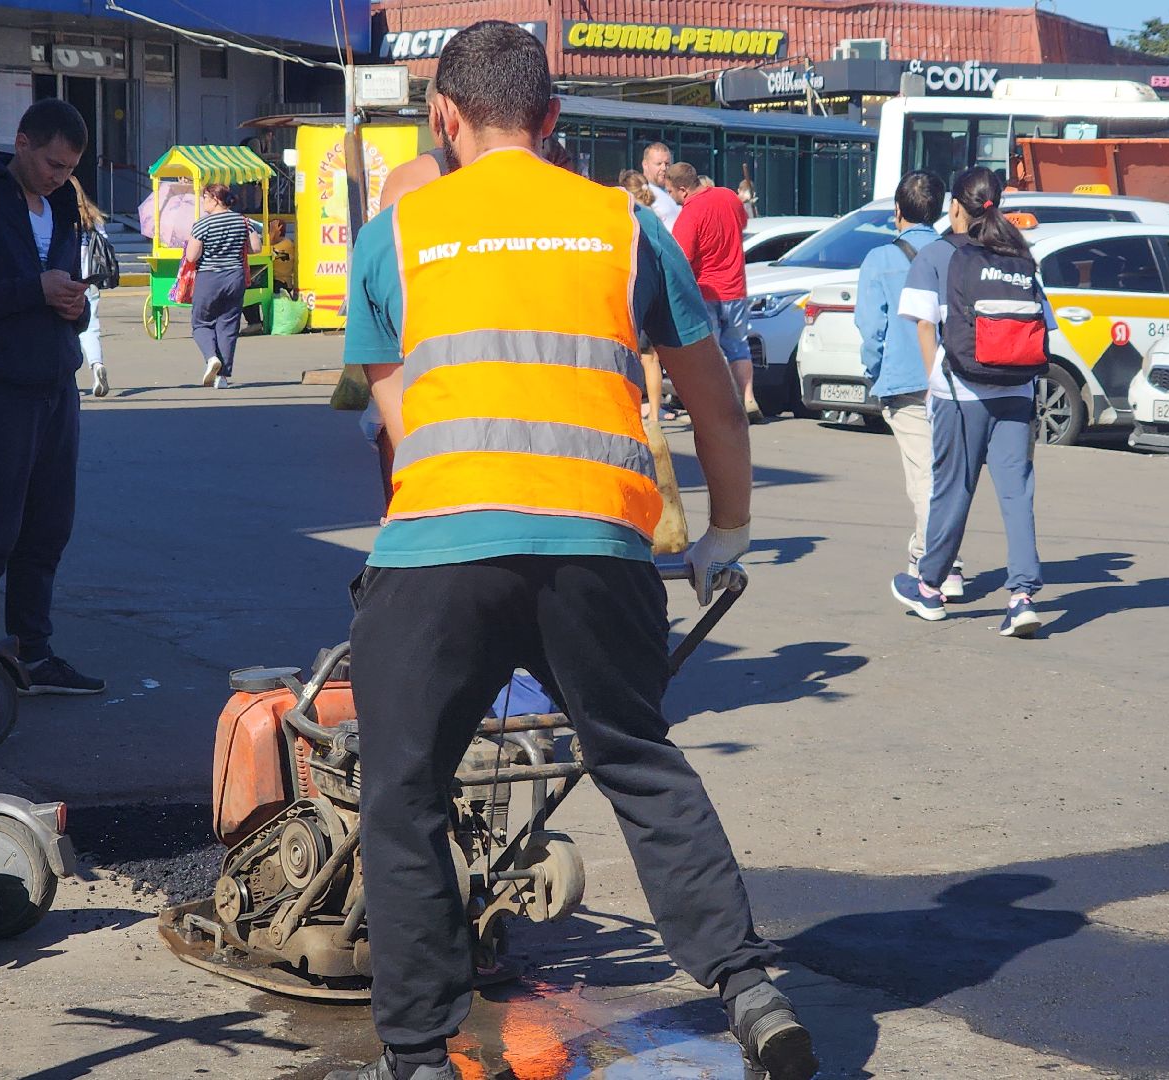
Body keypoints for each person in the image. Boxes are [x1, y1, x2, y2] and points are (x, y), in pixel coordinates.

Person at [333, 20, 818, 1080]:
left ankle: (417, 1054)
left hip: (440, 550)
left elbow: (397, 420)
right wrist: (726, 531)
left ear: (443, 119)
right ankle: (750, 986)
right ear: (554, 120)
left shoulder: (398, 233)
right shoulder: (622, 223)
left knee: (404, 791)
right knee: (638, 759)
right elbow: (713, 404)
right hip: (599, 548)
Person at [0, 98, 105, 694]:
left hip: (57, 384)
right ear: (22, 142)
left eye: (70, 168)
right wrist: (35, 290)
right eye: (53, 163)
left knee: (48, 527)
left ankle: (34, 650)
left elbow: (56, 295)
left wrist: (73, 305)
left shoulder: (59, 205)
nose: (60, 177)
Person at [892, 166, 1048, 638]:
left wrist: (933, 381)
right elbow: (1043, 326)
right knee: (1016, 492)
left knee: (953, 488)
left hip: (961, 392)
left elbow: (922, 324)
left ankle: (930, 587)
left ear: (955, 206)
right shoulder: (1018, 253)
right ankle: (1021, 597)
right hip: (1018, 391)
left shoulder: (936, 255)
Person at [856, 170, 963, 589]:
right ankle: (924, 553)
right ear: (938, 211)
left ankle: (944, 566)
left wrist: (874, 372)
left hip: (903, 379)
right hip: (955, 380)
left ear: (897, 210)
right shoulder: (954, 255)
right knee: (943, 475)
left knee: (924, 477)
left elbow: (872, 329)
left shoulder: (879, 260)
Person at [668, 161, 762, 421]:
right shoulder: (728, 196)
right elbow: (742, 223)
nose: (671, 197)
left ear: (683, 189)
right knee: (738, 346)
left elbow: (682, 258)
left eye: (671, 191)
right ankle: (748, 399)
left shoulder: (689, 214)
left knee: (712, 351)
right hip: (736, 287)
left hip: (706, 290)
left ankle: (719, 406)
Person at [184, 182, 261, 389]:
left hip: (209, 278)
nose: (204, 203)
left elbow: (192, 255)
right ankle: (223, 378)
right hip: (235, 277)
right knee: (228, 326)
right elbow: (256, 248)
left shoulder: (202, 224)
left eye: (206, 199)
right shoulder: (244, 222)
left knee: (201, 323)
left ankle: (211, 358)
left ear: (216, 199)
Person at [68, 177, 111, 398]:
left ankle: (70, 376)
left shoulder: (60, 214)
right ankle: (97, 365)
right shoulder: (93, 217)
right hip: (90, 280)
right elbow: (104, 243)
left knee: (67, 330)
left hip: (68, 280)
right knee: (91, 327)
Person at [640, 141, 681, 229]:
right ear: (645, 165)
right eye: (658, 164)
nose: (664, 168)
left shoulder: (676, 192)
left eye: (667, 164)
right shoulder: (639, 193)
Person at [268, 218, 297, 297]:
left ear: (278, 231)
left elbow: (264, 252)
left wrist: (272, 232)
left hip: (281, 283)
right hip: (277, 281)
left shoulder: (285, 245)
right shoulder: (285, 243)